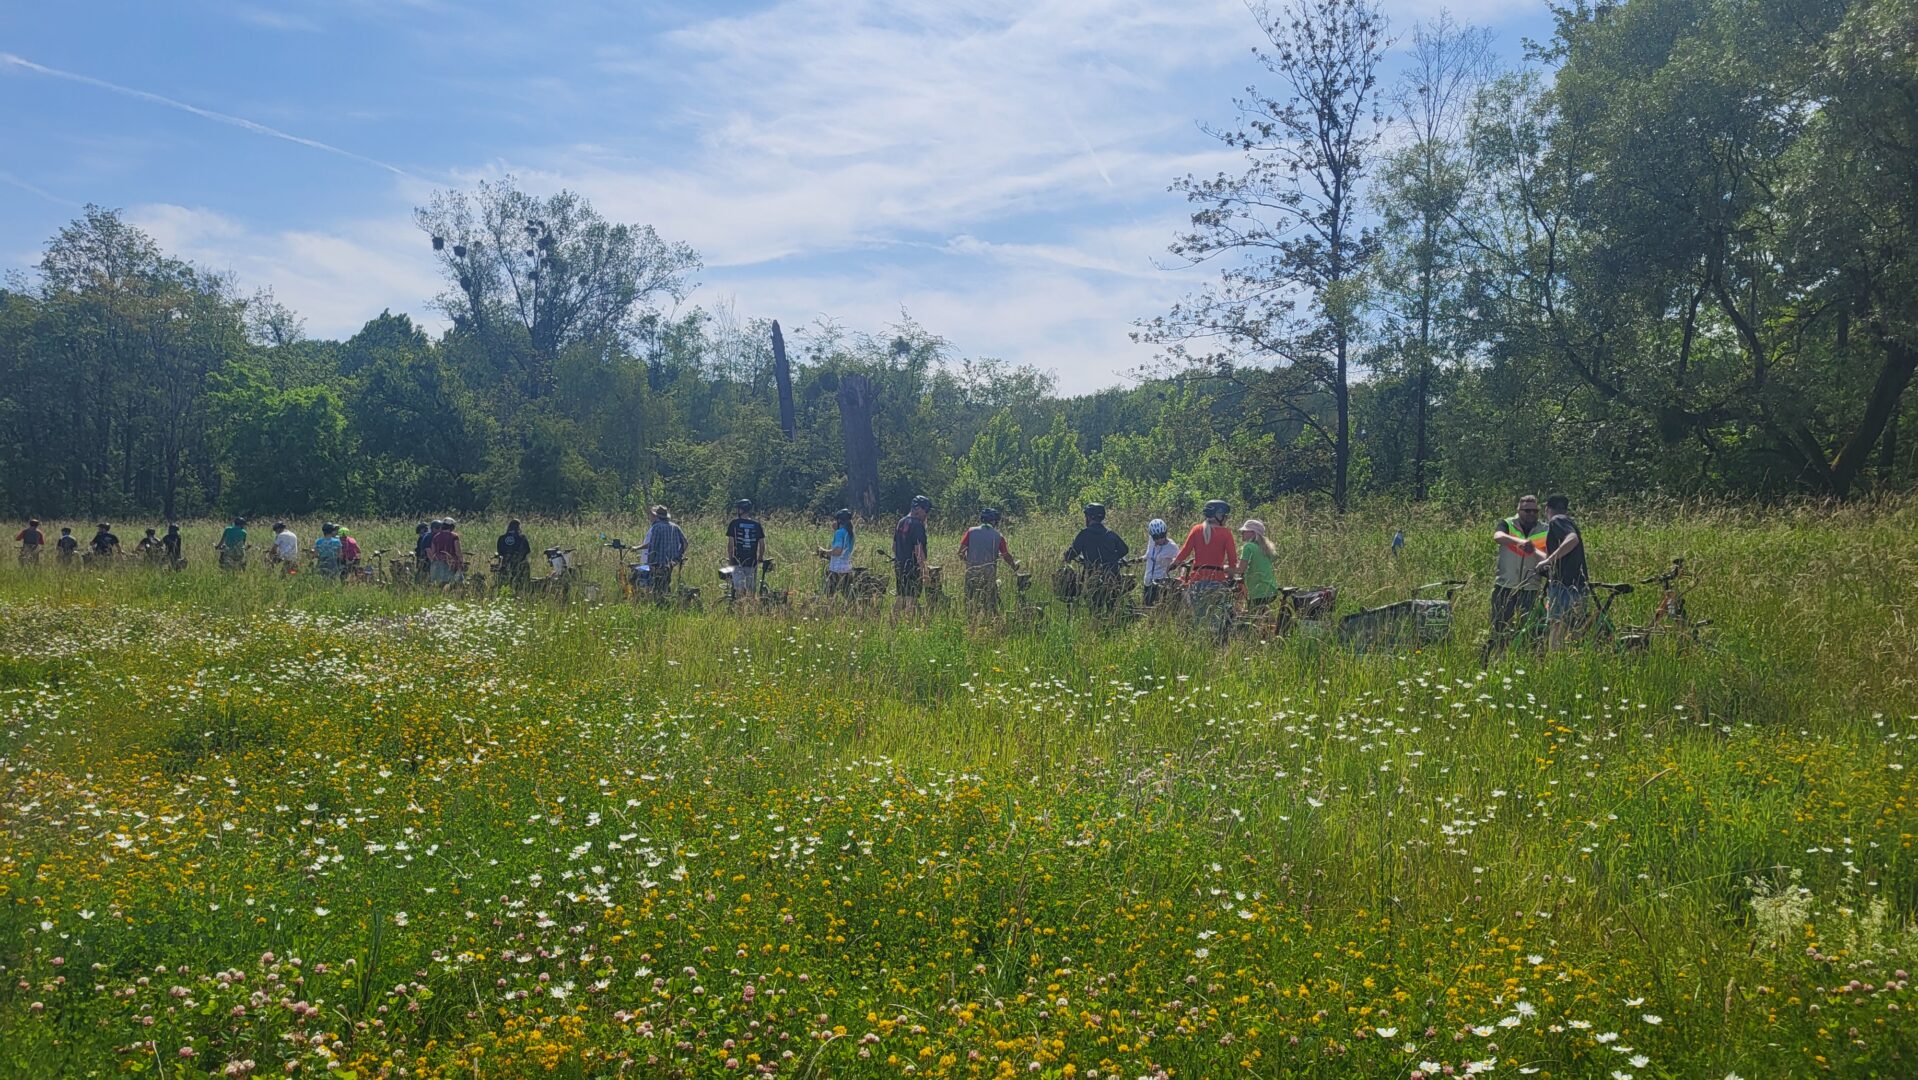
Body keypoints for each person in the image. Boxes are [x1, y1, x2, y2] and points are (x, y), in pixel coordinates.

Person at [1489, 494, 1548, 638]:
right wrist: (1517, 541)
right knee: (1499, 627)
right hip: (1505, 585)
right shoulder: (1508, 524)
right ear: (1518, 510)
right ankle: (1498, 654)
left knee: (1528, 630)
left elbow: (1550, 556)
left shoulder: (1546, 529)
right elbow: (1498, 536)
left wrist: (1534, 549)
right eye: (1527, 511)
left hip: (1531, 586)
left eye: (1535, 511)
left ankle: (1524, 654)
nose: (1531, 514)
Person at [1535, 493, 1589, 648]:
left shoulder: (1557, 520)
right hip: (1577, 583)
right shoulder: (1568, 521)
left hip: (1564, 586)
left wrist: (1548, 560)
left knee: (1557, 626)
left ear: (1546, 509)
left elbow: (1572, 539)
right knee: (1573, 630)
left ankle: (1555, 662)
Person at [1173, 499, 1240, 618]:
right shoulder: (1226, 533)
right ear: (1217, 515)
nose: (1226, 518)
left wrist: (1173, 564)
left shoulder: (1196, 530)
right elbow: (1232, 559)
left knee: (1199, 616)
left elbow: (1184, 552)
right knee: (1216, 615)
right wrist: (1230, 575)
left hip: (1197, 580)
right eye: (1224, 515)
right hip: (1217, 580)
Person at [1063, 503, 1130, 611]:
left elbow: (1072, 553)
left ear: (1089, 517)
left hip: (1093, 577)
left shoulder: (1084, 534)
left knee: (1095, 609)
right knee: (1113, 608)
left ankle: (1097, 624)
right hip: (1112, 576)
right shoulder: (1110, 534)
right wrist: (1113, 558)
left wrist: (1067, 556)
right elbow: (1124, 550)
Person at [958, 507, 1018, 614]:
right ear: (994, 521)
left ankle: (970, 620)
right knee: (989, 601)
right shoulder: (998, 536)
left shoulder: (970, 531)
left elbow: (960, 553)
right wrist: (1014, 566)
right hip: (989, 573)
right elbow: (1006, 555)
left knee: (970, 600)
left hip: (971, 572)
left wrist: (969, 563)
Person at [892, 495, 932, 611]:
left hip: (899, 566)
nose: (926, 515)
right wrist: (924, 571)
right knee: (911, 599)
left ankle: (893, 623)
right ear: (918, 509)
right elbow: (918, 550)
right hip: (912, 568)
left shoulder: (901, 521)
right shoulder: (918, 525)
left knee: (901, 597)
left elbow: (894, 547)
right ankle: (909, 625)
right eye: (926, 511)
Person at [639, 506, 687, 598]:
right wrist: (678, 557)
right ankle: (666, 603)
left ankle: (659, 603)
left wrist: (650, 563)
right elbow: (685, 543)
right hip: (671, 563)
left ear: (657, 516)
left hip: (658, 563)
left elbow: (653, 546)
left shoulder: (656, 527)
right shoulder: (675, 527)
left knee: (657, 585)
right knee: (666, 582)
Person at [726, 500, 767, 600]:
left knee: (739, 589)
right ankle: (751, 610)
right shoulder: (757, 525)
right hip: (752, 562)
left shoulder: (734, 524)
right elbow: (762, 544)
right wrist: (760, 558)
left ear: (741, 509)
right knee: (751, 591)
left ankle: (741, 610)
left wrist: (730, 559)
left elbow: (730, 545)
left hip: (737, 561)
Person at [1237, 519, 1279, 609]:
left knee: (1252, 618)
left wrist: (1224, 568)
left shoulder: (1248, 546)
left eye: (1244, 531)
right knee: (1259, 614)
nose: (1242, 532)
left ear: (1253, 533)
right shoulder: (1265, 549)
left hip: (1258, 592)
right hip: (1270, 589)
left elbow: (1240, 570)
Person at [1140, 518, 1179, 605]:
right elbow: (1148, 555)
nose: (1159, 539)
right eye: (1156, 537)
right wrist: (1137, 560)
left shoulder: (1172, 547)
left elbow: (1180, 561)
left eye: (1162, 536)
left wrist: (1181, 577)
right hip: (1147, 582)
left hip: (1160, 584)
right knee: (1146, 608)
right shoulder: (1152, 541)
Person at [819, 508, 856, 597]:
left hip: (836, 569)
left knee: (829, 595)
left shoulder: (839, 533)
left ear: (839, 520)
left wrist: (823, 551)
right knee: (847, 595)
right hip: (847, 568)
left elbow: (838, 551)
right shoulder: (850, 533)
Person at [497, 519, 533, 586]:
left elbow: (500, 553)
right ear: (519, 527)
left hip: (506, 565)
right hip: (520, 566)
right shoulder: (522, 538)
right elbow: (527, 551)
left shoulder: (501, 538)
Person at [428, 518, 463, 585]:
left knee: (437, 585)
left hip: (436, 563)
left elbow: (433, 552)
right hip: (450, 564)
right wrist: (461, 562)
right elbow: (458, 552)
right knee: (456, 584)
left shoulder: (435, 537)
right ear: (452, 526)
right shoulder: (454, 536)